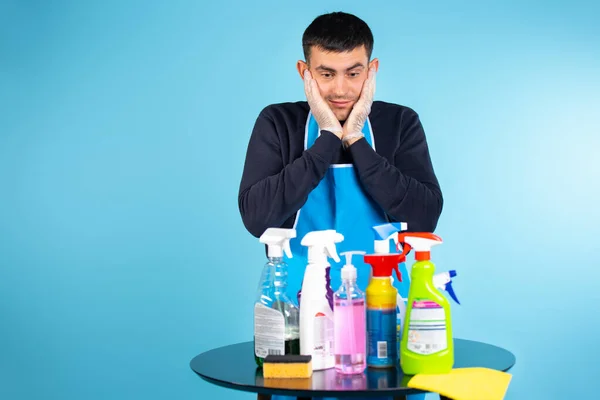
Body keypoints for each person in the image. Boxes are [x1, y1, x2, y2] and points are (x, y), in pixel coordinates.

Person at [238, 11, 442, 400]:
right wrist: (328, 137)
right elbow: (257, 217)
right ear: (305, 72)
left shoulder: (399, 123)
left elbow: (424, 214)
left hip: (386, 320)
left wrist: (358, 142)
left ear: (372, 69)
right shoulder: (278, 123)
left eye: (354, 72)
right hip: (296, 329)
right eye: (326, 74)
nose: (341, 89)